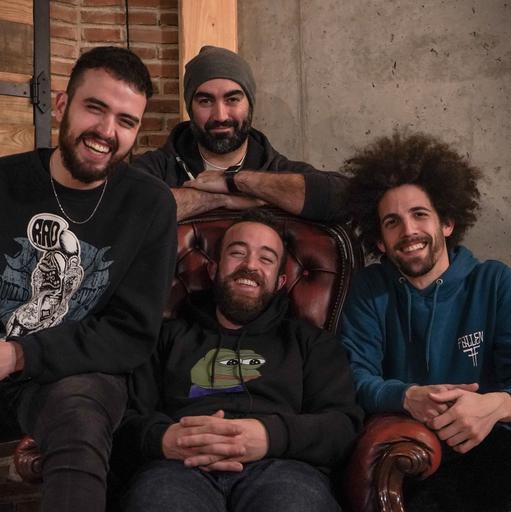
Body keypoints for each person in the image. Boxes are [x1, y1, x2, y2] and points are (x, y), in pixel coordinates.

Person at [0, 46, 176, 512]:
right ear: (62, 105)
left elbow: (130, 333)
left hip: (72, 375)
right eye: (95, 108)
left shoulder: (149, 205)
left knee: (78, 413)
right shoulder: (5, 182)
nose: (106, 131)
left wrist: (17, 354)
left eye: (126, 121)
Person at [116, 209, 363, 512]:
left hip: (283, 468)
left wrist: (269, 436)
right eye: (237, 253)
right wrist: (163, 438)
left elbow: (342, 426)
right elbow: (122, 418)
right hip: (178, 468)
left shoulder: (311, 343)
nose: (250, 265)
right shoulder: (166, 337)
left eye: (266, 258)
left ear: (280, 281)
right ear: (213, 269)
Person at [340, 131, 511, 511]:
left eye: (419, 215)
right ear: (380, 241)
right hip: (413, 454)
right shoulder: (370, 289)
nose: (409, 232)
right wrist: (407, 396)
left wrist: (498, 404)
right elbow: (355, 376)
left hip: (493, 450)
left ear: (446, 222)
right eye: (392, 222)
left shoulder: (495, 282)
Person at [134, 45, 349, 222]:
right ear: (191, 108)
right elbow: (127, 212)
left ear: (250, 104)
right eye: (205, 101)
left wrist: (237, 182)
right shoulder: (158, 167)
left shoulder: (275, 169)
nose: (220, 115)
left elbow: (347, 199)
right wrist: (220, 198)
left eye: (232, 99)